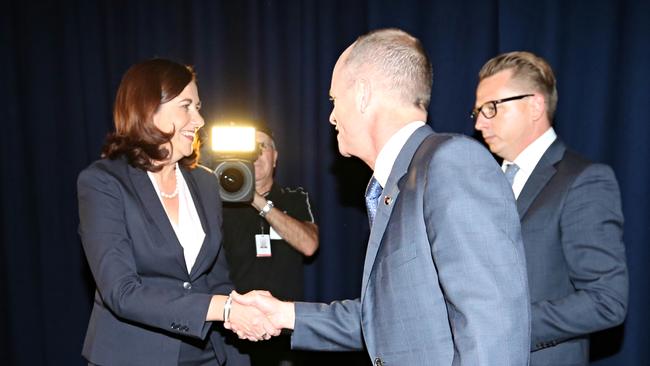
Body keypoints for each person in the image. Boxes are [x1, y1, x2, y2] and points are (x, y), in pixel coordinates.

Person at [229, 28, 531, 365]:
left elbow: (492, 328)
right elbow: (385, 322)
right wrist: (284, 315)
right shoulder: (394, 186)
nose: (331, 116)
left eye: (334, 100)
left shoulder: (451, 164)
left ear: (361, 94)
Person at [77, 58, 278, 366]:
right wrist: (223, 309)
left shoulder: (206, 183)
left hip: (208, 355)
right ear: (148, 108)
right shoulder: (103, 183)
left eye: (198, 107)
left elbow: (216, 280)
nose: (199, 121)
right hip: (132, 357)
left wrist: (242, 314)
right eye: (187, 106)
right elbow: (122, 292)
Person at [472, 51, 628, 365]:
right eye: (476, 111)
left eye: (491, 108)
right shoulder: (481, 183)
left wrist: (505, 325)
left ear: (535, 105)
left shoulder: (584, 180)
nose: (478, 123)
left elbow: (606, 301)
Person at [221, 122, 318, 365]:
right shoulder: (220, 203)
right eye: (248, 148)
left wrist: (256, 200)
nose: (255, 154)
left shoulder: (294, 197)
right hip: (235, 328)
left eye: (261, 146)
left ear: (275, 157)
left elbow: (309, 245)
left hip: (283, 329)